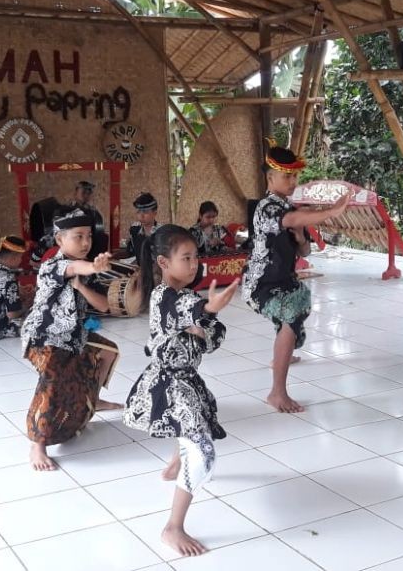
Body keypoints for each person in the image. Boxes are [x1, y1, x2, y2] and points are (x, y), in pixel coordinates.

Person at [124, 225, 238, 557]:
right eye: (186, 258)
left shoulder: (185, 295)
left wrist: (207, 319)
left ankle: (176, 463)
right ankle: (172, 527)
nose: (194, 264)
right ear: (163, 262)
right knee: (203, 453)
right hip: (170, 383)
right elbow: (190, 312)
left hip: (186, 380)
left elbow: (214, 336)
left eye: (196, 257)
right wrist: (207, 312)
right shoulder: (164, 295)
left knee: (192, 429)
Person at [241, 140, 349, 413]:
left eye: (294, 176)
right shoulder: (267, 207)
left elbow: (304, 250)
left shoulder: (289, 209)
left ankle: (284, 351)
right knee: (290, 315)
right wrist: (331, 211)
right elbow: (290, 220)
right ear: (270, 177)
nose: (292, 181)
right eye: (286, 176)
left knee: (297, 308)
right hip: (261, 285)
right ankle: (277, 392)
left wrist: (301, 237)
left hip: (284, 280)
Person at [21, 209, 123, 471]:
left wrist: (82, 286)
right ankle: (37, 445)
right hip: (46, 338)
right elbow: (74, 267)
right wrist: (93, 266)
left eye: (88, 236)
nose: (86, 242)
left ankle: (94, 398)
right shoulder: (52, 265)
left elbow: (103, 307)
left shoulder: (85, 271)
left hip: (73, 337)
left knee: (108, 352)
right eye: (78, 237)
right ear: (60, 241)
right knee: (53, 383)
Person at [125, 192, 163, 261]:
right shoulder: (134, 230)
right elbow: (133, 254)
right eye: (138, 212)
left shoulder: (162, 232)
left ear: (155, 213)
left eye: (145, 212)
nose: (141, 216)